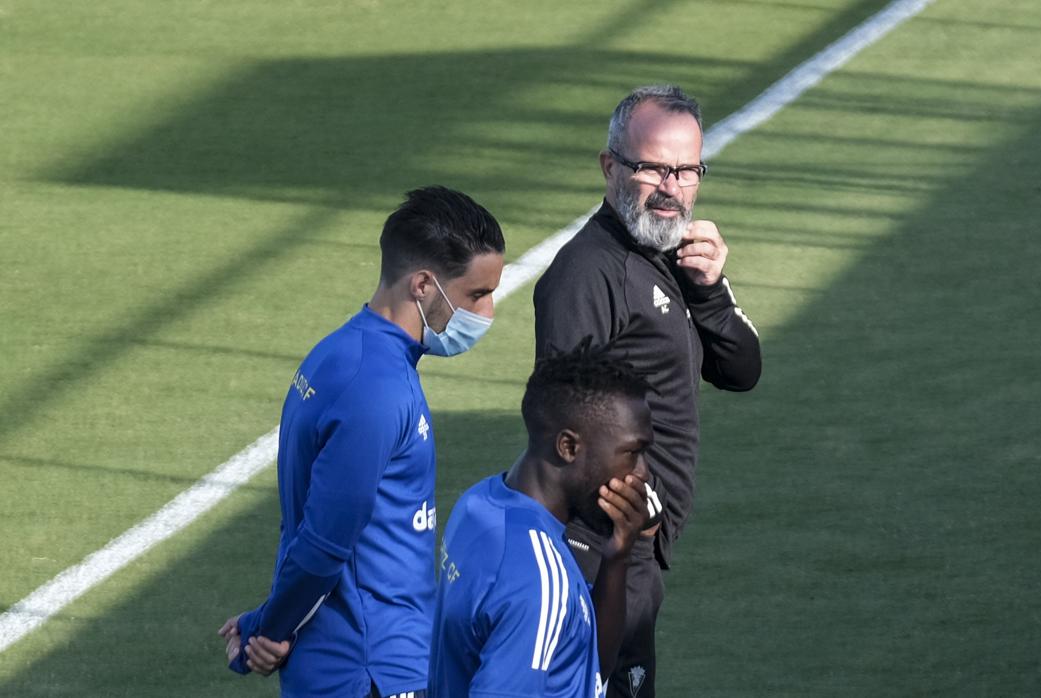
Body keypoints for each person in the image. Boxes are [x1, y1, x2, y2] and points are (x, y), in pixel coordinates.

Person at [219, 185, 506, 698]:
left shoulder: (338, 353)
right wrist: (270, 631)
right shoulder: (376, 391)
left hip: (355, 658)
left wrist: (267, 620)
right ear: (423, 284)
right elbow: (324, 545)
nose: (486, 314)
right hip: (369, 671)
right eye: (476, 295)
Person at [532, 84, 762, 697]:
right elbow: (563, 427)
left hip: (633, 550)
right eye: (653, 168)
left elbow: (742, 371)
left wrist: (711, 291)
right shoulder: (586, 275)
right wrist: (644, 514)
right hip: (601, 554)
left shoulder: (670, 254)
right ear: (611, 167)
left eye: (687, 170)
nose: (672, 188)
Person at [429, 343, 653, 698]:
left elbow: (585, 667)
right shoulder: (536, 577)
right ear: (568, 447)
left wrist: (616, 558)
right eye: (632, 453)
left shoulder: (478, 504)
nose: (642, 474)